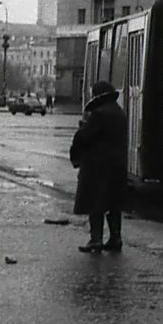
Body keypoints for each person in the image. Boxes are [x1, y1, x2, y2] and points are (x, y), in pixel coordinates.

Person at [68, 80, 128, 253]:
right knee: (113, 203)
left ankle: (96, 240)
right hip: (117, 165)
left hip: (98, 166)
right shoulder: (119, 112)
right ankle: (116, 238)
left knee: (96, 203)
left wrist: (82, 130)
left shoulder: (99, 114)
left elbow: (84, 137)